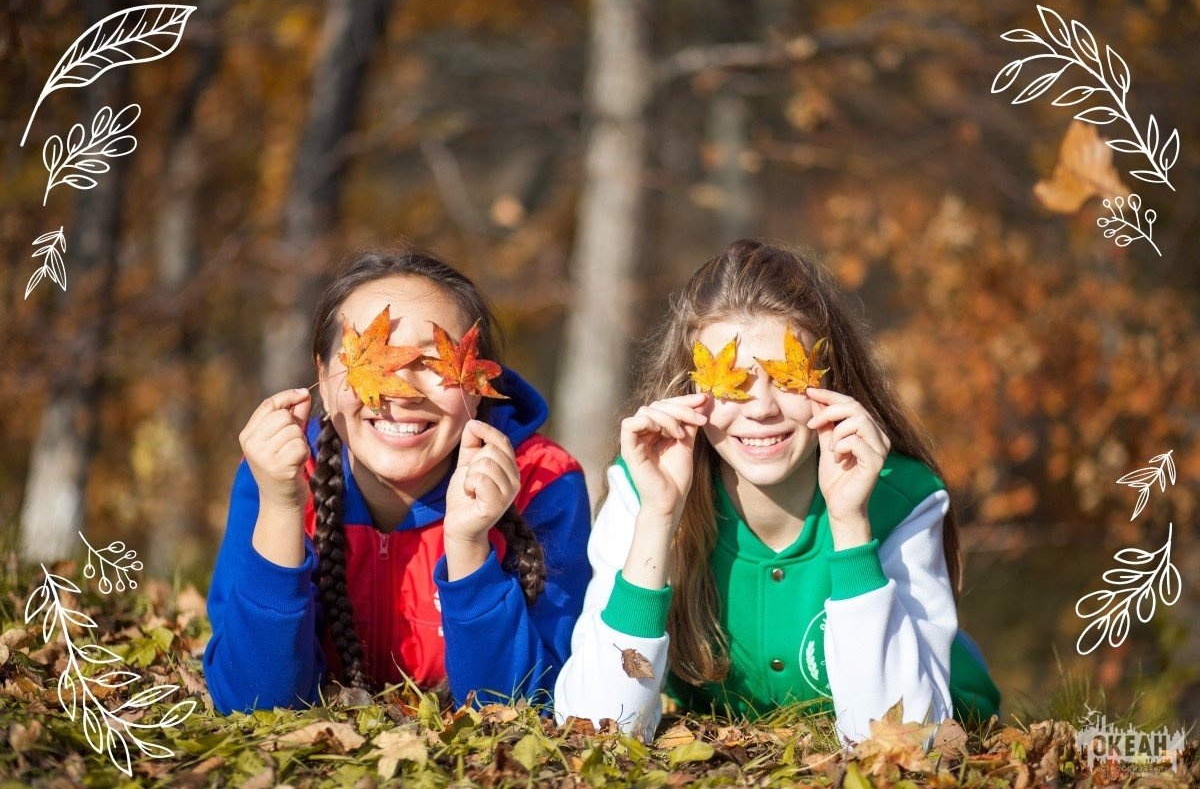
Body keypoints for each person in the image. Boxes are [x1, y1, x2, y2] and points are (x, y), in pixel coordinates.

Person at [554, 239, 1000, 743]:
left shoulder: (899, 498)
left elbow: (901, 740)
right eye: (733, 382)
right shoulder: (645, 489)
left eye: (788, 377)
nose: (761, 407)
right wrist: (658, 519)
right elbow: (597, 728)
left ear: (831, 378)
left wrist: (852, 525)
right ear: (689, 389)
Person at [204, 248, 591, 713]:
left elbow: (524, 707)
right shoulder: (280, 474)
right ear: (323, 375)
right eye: (374, 361)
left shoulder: (542, 483)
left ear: (479, 380)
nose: (400, 392)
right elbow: (252, 700)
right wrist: (283, 509)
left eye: (431, 364)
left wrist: (469, 546)